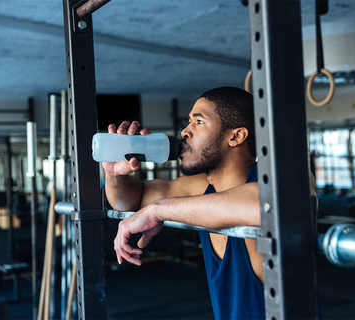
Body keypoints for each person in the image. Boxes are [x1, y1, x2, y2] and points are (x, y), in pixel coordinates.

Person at [104, 86, 316, 319]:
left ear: (235, 136)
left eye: (199, 122)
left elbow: (274, 203)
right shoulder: (198, 187)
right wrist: (115, 175)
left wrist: (159, 210)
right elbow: (129, 202)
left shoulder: (286, 173)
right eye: (188, 122)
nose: (185, 131)